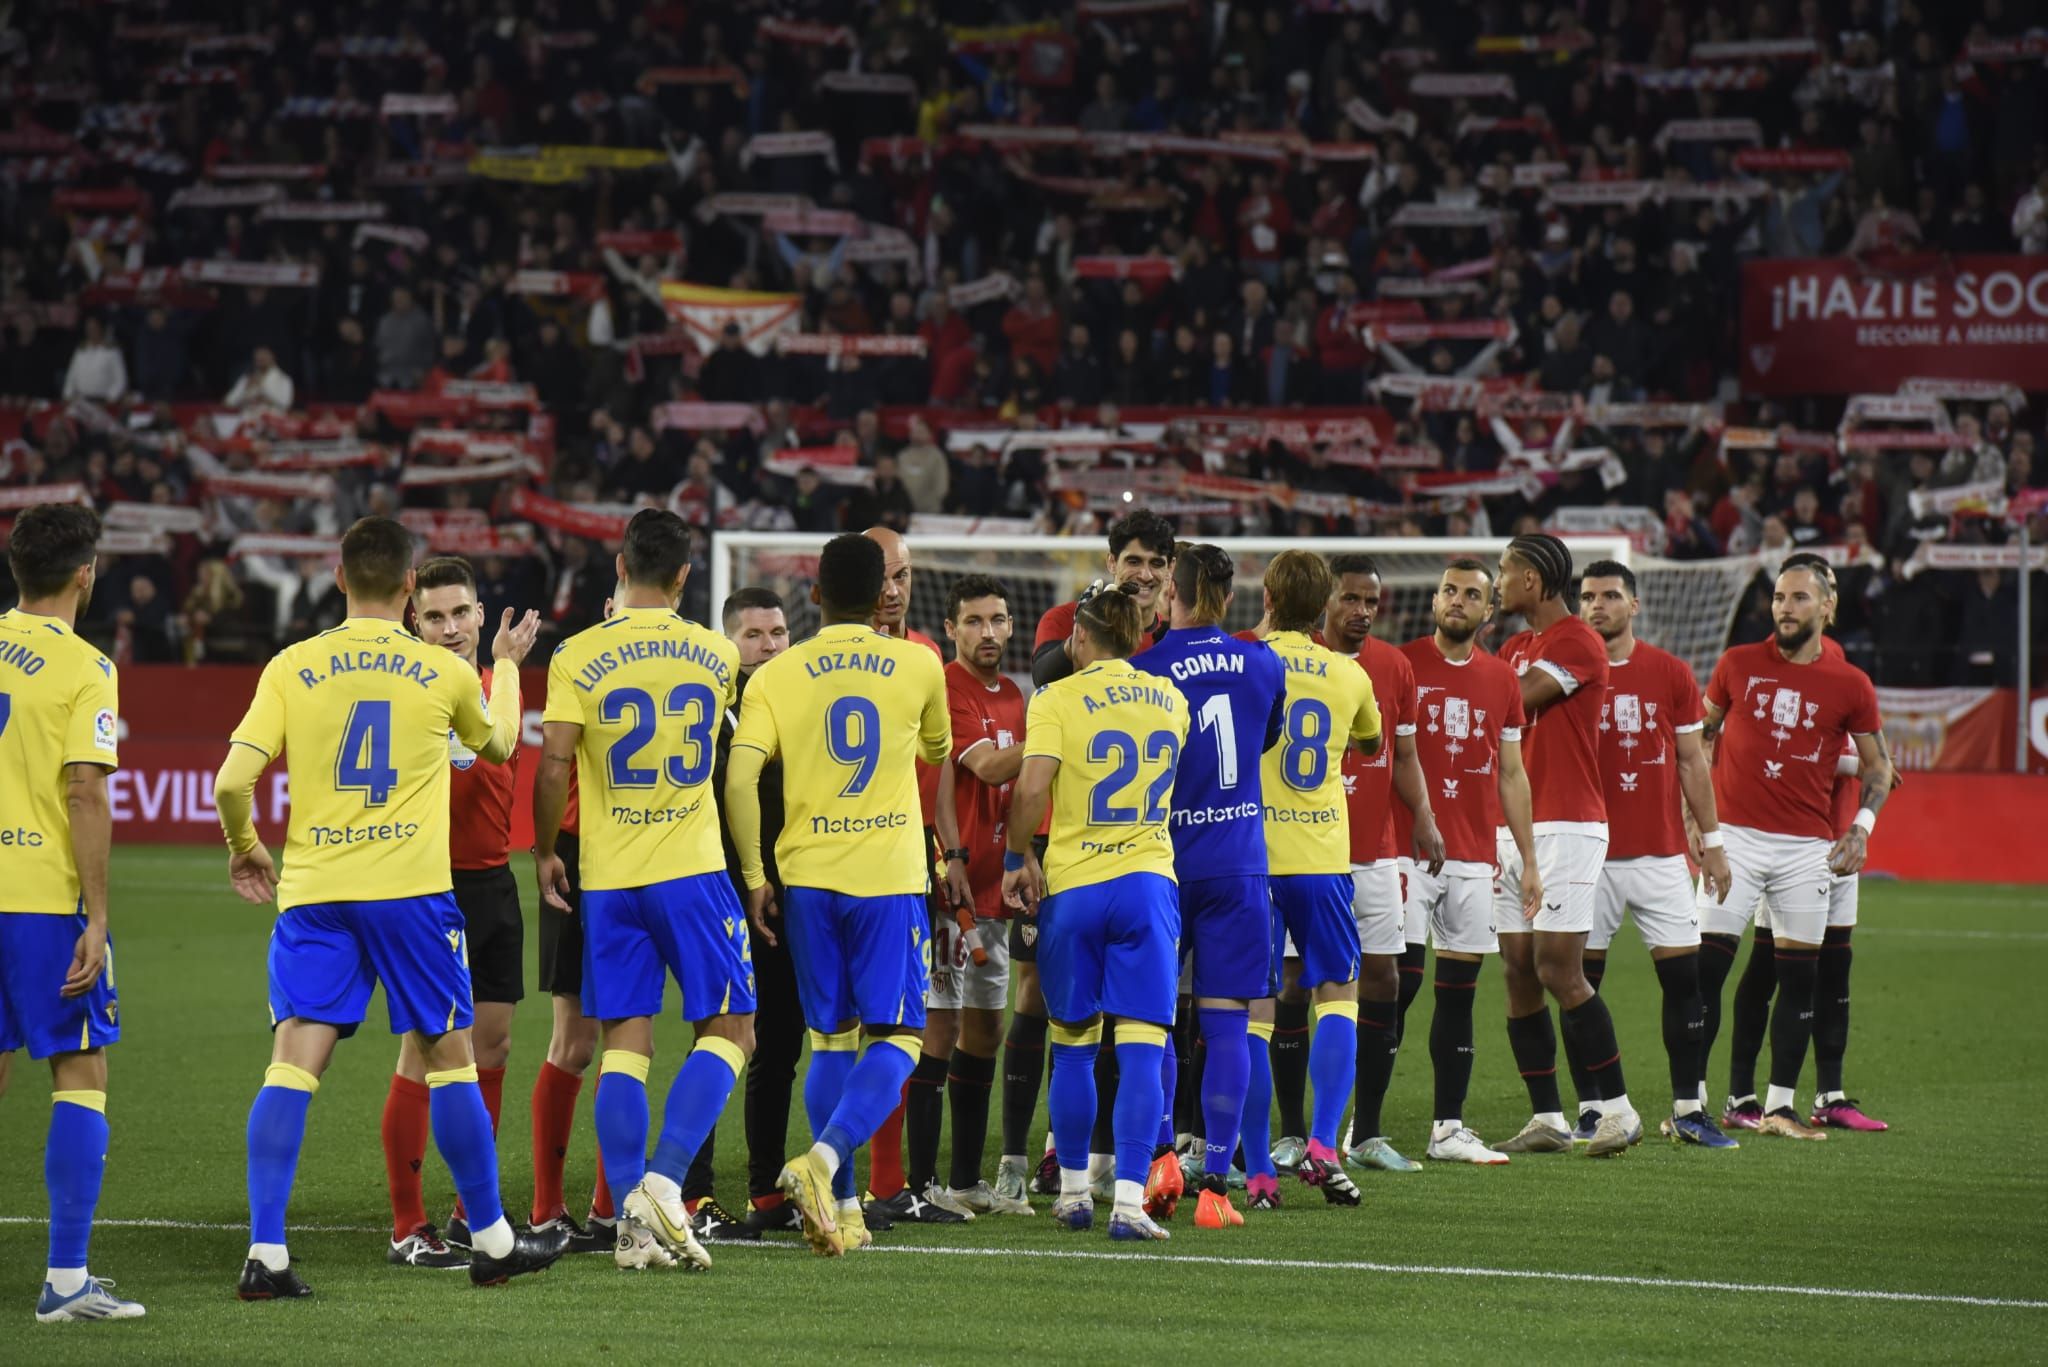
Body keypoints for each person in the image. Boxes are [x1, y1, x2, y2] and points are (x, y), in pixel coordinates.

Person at [213, 515, 562, 1297]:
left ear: (339, 578)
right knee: (451, 1058)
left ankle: (266, 1253)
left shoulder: (291, 666)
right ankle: (495, 1239)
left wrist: (246, 844)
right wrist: (505, 670)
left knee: (292, 1064)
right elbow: (502, 744)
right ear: (410, 588)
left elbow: (231, 782)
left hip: (316, 896)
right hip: (410, 894)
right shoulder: (437, 671)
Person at [532, 509, 751, 1272]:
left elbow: (554, 764)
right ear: (687, 576)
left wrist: (544, 852)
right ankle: (661, 1182)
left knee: (626, 1043)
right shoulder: (717, 653)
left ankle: (631, 1227)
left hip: (610, 877)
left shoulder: (577, 654)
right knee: (732, 1030)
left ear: (619, 566)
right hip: (690, 870)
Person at [726, 533, 951, 1258]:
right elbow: (938, 750)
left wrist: (757, 876)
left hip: (807, 881)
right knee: (902, 1038)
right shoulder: (918, 662)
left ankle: (845, 1208)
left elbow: (739, 779)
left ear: (813, 596)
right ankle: (821, 1165)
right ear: (883, 590)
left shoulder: (776, 675)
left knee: (830, 1038)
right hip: (885, 877)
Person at [1002, 587, 1189, 1242]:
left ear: (1081, 636)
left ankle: (1075, 1191)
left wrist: (1014, 856)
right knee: (1142, 1049)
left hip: (1075, 887)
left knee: (1074, 1046)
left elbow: (1030, 788)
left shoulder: (1055, 699)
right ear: (1137, 637)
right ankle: (1130, 1201)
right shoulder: (1171, 699)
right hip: (1145, 883)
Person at [1691, 561, 1894, 1142]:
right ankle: (1694, 1101)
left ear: (1827, 608)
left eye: (1799, 598)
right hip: (1736, 841)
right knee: (1705, 973)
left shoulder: (1851, 683)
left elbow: (1880, 767)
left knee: (1801, 978)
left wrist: (1861, 827)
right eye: (1779, 597)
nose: (1785, 607)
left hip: (1808, 847)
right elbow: (1699, 739)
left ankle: (1780, 1108)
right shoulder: (1736, 664)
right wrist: (1696, 821)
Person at [0, 504, 140, 1322]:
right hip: (40, 901)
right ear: (85, 573)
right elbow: (85, 788)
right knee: (80, 1071)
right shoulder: (86, 666)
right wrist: (95, 915)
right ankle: (64, 1280)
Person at [380, 557, 534, 1270]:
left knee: (493, 1046)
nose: (448, 627)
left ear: (480, 614)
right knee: (427, 1051)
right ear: (414, 620)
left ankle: (477, 1213)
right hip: (426, 888)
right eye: (434, 615)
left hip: (492, 884)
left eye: (460, 612)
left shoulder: (493, 684)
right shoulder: (407, 687)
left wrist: (507, 668)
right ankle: (408, 1224)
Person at [1130, 545, 1285, 1228]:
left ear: (1174, 593)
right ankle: (1216, 1187)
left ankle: (1163, 1152)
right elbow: (1262, 741)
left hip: (1165, 863)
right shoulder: (1264, 662)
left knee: (1158, 1015)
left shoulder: (1148, 665)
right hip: (1238, 866)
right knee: (1227, 1024)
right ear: (1229, 593)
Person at [1487, 534, 1642, 1160]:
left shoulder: (1578, 640)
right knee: (1519, 971)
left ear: (1531, 580)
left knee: (1557, 967)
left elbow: (1514, 703)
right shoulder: (1516, 646)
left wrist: (1467, 686)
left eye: (1504, 573)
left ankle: (1619, 1110)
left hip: (1569, 824)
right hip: (1516, 826)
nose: (1498, 584)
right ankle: (1548, 1116)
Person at [1575, 560, 1738, 1150]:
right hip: (1585, 854)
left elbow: (1694, 761)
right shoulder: (1564, 673)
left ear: (1634, 606)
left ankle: (1690, 1108)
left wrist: (1713, 844)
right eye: (1589, 596)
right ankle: (1594, 1109)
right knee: (1579, 982)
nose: (1598, 606)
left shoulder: (1668, 672)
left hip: (1661, 857)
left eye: (1611, 596)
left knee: (1685, 981)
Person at [1251, 550, 1382, 1206]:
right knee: (1337, 987)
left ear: (1267, 596)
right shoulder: (1348, 674)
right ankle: (1325, 1143)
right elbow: (1370, 743)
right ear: (1326, 604)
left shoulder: (1244, 660)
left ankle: (1257, 1167)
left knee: (1252, 1005)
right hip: (1323, 857)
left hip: (1251, 856)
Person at [1399, 560, 1535, 1166]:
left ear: (1489, 611)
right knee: (1392, 991)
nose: (1457, 600)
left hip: (1475, 857)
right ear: (1435, 599)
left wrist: (1528, 858)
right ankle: (1356, 1130)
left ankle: (1447, 1129)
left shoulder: (1503, 679)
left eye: (1472, 594)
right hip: (1401, 853)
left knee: (1458, 994)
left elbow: (1511, 772)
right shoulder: (1399, 663)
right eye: (1449, 590)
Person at [1316, 553, 1446, 1174]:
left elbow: (1405, 754)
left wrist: (1422, 815)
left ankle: (1363, 1132)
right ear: (1326, 601)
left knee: (1386, 982)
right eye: (1351, 599)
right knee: (1292, 985)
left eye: (1371, 601)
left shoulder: (1394, 667)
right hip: (1306, 851)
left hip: (1375, 852)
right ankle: (1295, 1133)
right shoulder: (1293, 658)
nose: (1363, 611)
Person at [857, 525, 965, 1226]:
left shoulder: (926, 655)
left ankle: (886, 1181)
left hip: (912, 858)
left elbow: (942, 765)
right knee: (854, 1027)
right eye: (883, 576)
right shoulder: (831, 661)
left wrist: (951, 853)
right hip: (852, 863)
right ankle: (845, 1177)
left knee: (901, 1021)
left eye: (904, 575)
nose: (894, 590)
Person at [929, 575, 1034, 1216]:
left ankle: (966, 1180)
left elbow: (1021, 789)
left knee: (987, 1027)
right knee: (939, 1026)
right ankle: (918, 1182)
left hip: (999, 884)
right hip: (955, 885)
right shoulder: (946, 686)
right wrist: (1058, 736)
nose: (988, 632)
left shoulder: (1016, 695)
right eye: (974, 621)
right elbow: (991, 768)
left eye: (997, 620)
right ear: (951, 628)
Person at [708, 588, 808, 1236]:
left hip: (790, 895)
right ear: (728, 641)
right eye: (754, 634)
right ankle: (689, 1192)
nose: (769, 644)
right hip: (723, 898)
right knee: (717, 1042)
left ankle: (767, 1192)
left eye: (777, 632)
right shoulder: (711, 715)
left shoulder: (799, 705)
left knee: (780, 1044)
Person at [1030, 509, 1176, 688]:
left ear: (1170, 568)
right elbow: (1042, 680)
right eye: (1134, 562)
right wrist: (1083, 631)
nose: (1145, 575)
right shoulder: (1062, 619)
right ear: (1112, 563)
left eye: (1156, 563)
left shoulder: (1174, 637)